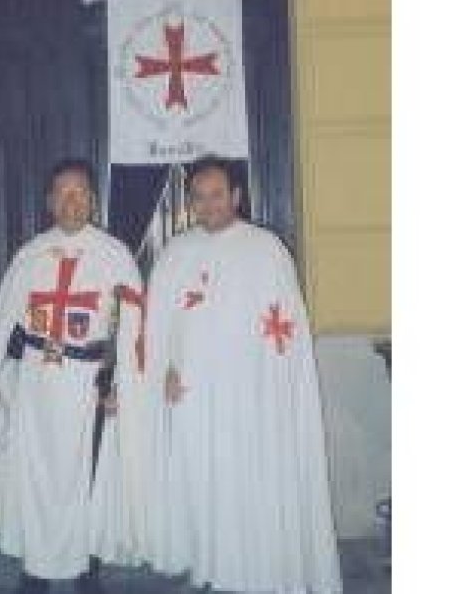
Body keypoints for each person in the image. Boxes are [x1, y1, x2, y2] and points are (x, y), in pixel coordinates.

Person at [0, 158, 147, 594]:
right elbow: (2, 327)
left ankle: (82, 565)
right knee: (36, 474)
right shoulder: (31, 255)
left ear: (93, 201)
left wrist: (122, 387)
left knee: (86, 478)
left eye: (79, 192)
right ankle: (37, 567)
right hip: (38, 382)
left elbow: (135, 331)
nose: (71, 201)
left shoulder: (114, 256)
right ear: (49, 202)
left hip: (87, 385)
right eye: (62, 193)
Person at [142, 155, 342, 593]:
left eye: (217, 195)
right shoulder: (176, 254)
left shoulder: (266, 251)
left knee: (246, 479)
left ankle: (255, 569)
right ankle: (211, 567)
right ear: (189, 203)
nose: (209, 204)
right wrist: (165, 368)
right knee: (202, 482)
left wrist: (271, 388)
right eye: (199, 196)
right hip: (193, 396)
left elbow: (284, 331)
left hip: (249, 397)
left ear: (235, 196)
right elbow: (160, 325)